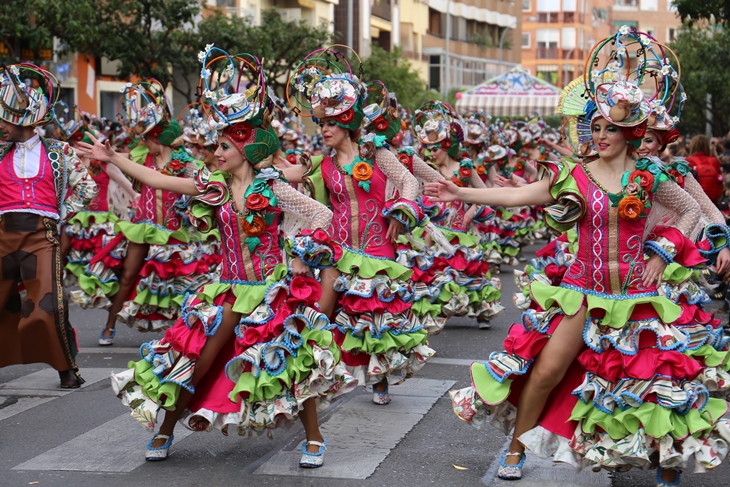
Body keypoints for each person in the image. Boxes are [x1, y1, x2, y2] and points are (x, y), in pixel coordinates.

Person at [429, 29, 730, 487]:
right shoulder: (574, 172)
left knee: (653, 384)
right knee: (547, 371)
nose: (602, 134)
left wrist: (661, 250)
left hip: (637, 295)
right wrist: (461, 191)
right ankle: (517, 447)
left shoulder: (649, 175)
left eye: (612, 127)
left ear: (631, 130)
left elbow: (691, 209)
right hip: (582, 292)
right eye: (596, 125)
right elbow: (520, 196)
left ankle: (664, 459)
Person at [79, 47, 355, 467]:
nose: (216, 152)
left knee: (290, 362)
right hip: (227, 289)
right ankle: (167, 428)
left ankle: (314, 438)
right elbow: (161, 179)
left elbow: (321, 213)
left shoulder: (272, 185)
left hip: (271, 290)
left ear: (244, 148)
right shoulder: (214, 186)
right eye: (216, 146)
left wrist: (302, 254)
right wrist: (114, 157)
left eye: (223, 145)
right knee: (198, 358)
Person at [284, 47, 434, 405]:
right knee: (319, 314)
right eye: (320, 123)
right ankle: (320, 374)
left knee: (374, 321)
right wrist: (255, 171)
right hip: (338, 252)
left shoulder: (377, 155)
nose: (323, 129)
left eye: (330, 123)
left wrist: (401, 208)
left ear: (347, 123)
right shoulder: (320, 162)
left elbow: (410, 182)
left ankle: (378, 376)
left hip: (378, 250)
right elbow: (286, 177)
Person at [74, 80, 216, 344]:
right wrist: (132, 191)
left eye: (147, 138)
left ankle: (178, 334)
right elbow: (114, 166)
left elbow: (205, 183)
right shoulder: (142, 158)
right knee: (128, 275)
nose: (143, 142)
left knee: (173, 285)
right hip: (143, 226)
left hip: (173, 232)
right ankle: (109, 325)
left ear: (157, 138)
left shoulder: (185, 163)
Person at [0, 63, 98, 388]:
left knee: (47, 304)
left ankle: (65, 369)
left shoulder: (60, 152)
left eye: (7, 119)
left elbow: (88, 189)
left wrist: (58, 213)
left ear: (24, 121)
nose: (2, 124)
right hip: (2, 237)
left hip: (42, 238)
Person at [686, 134, 722, 204]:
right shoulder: (714, 161)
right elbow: (719, 180)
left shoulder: (688, 161)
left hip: (694, 201)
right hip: (712, 201)